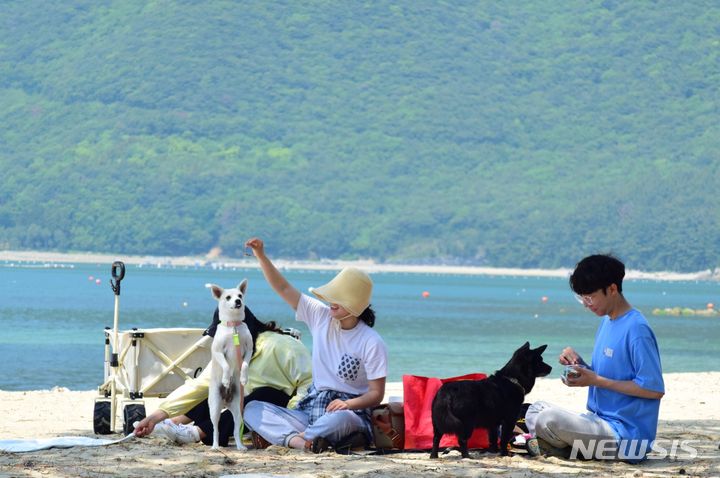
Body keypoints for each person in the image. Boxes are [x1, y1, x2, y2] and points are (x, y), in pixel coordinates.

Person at [243, 237, 388, 453]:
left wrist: (348, 404)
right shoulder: (321, 317)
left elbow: (376, 394)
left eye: (338, 298)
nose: (331, 302)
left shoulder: (371, 341)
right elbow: (283, 288)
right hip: (311, 409)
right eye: (331, 297)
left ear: (355, 305)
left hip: (349, 413)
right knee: (253, 409)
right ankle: (305, 442)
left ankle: (301, 438)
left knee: (339, 420)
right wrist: (261, 256)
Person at [525, 254, 664, 462]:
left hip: (625, 437)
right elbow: (606, 376)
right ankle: (569, 447)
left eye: (590, 297)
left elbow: (653, 390)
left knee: (548, 418)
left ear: (612, 289)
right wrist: (580, 368)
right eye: (582, 298)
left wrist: (595, 380)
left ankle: (566, 448)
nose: (586, 304)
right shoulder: (607, 321)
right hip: (597, 421)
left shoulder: (637, 329)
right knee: (534, 409)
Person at [133, 306, 312, 447]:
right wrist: (156, 416)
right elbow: (199, 386)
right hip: (247, 411)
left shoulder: (284, 347)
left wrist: (293, 412)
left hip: (283, 412)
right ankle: (171, 423)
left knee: (262, 393)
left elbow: (309, 383)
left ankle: (197, 432)